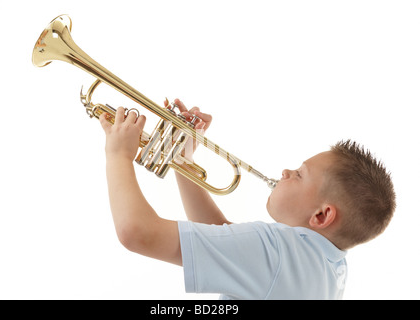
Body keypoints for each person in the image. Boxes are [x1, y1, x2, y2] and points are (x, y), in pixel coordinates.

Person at [98, 99, 396, 300]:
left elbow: (135, 232)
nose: (286, 171)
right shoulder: (329, 266)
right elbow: (225, 240)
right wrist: (183, 161)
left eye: (300, 174)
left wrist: (118, 153)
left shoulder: (276, 250)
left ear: (321, 216)